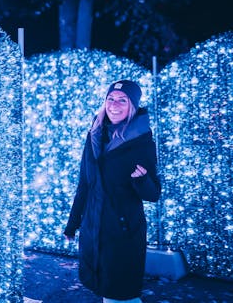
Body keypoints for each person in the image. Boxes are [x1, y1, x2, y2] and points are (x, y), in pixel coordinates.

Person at [64, 79, 161, 303]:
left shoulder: (142, 141)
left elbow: (153, 194)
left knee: (122, 294)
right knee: (105, 290)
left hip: (122, 231)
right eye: (110, 99)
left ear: (132, 106)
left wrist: (142, 179)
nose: (114, 105)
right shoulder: (95, 134)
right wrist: (73, 223)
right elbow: (84, 184)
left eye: (122, 100)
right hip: (94, 227)